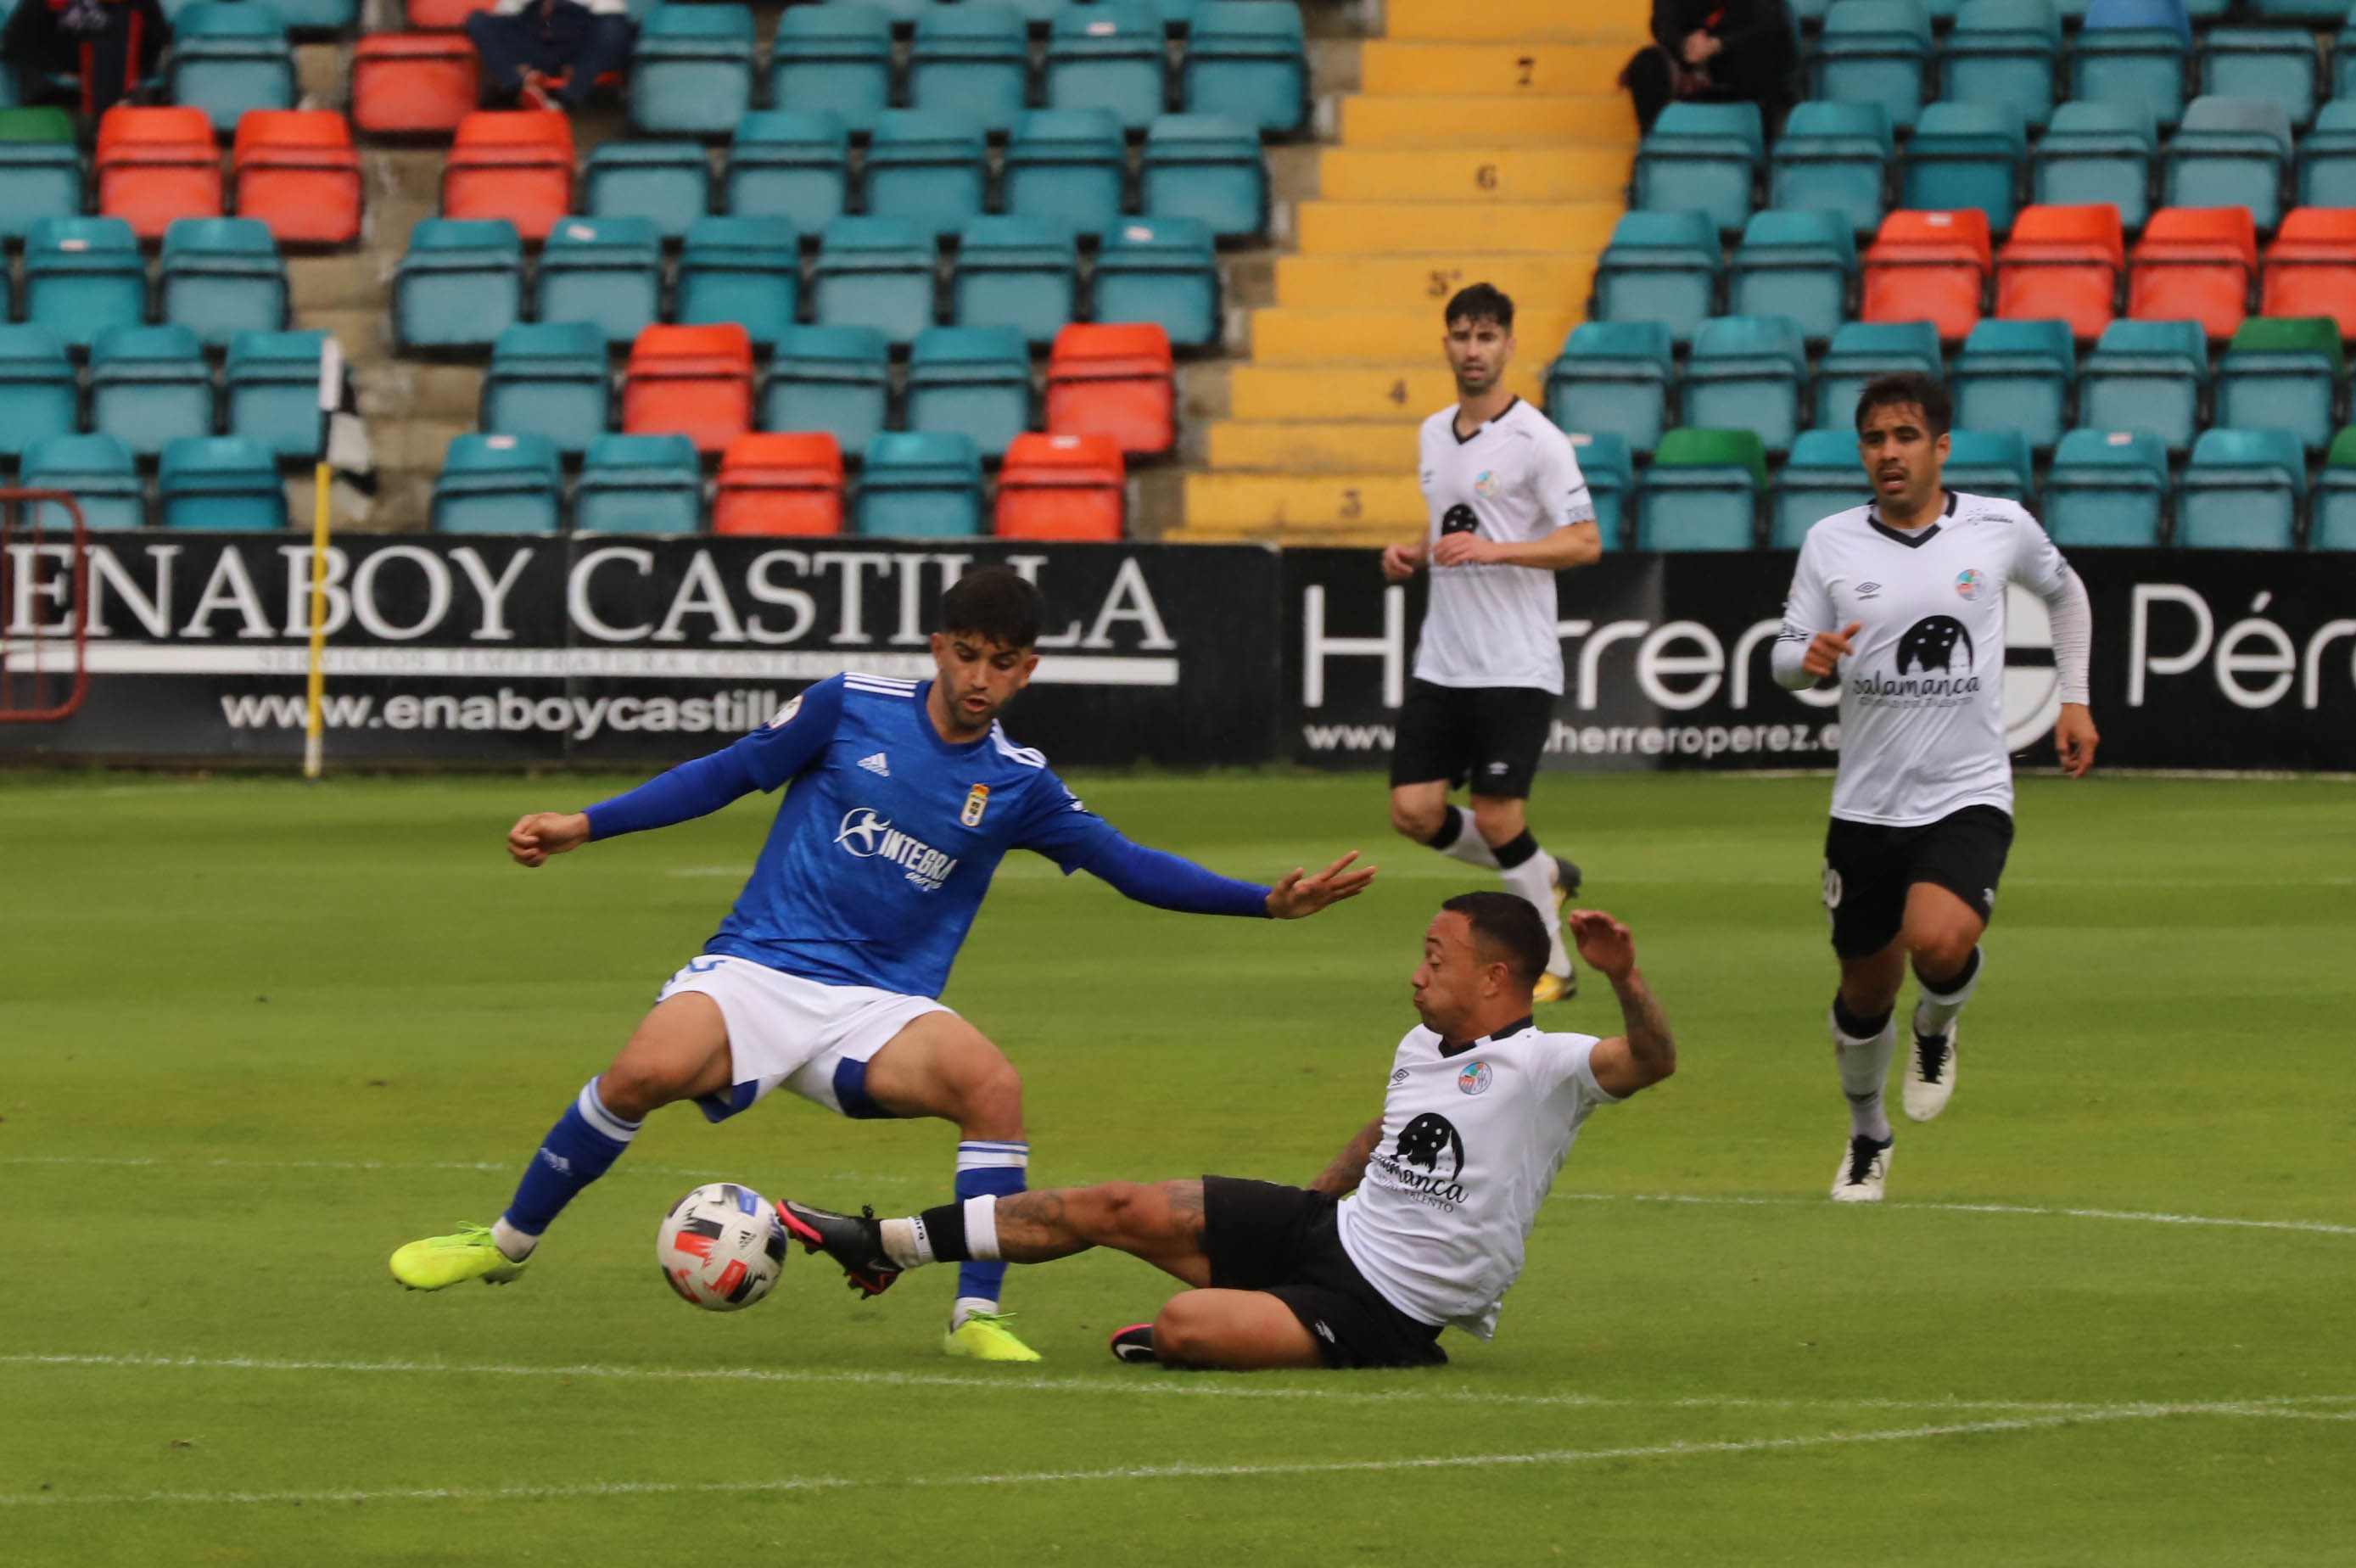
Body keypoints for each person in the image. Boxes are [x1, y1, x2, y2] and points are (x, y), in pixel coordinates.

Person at [388, 568, 1375, 1364]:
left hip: (876, 1008)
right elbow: (726, 773)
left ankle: (974, 1315)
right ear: (938, 647)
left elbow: (1127, 865)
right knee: (638, 1074)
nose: (981, 678)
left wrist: (1261, 901)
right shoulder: (845, 706)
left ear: (1027, 669)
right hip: (758, 967)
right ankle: (505, 1241)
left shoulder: (1020, 784)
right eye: (967, 655)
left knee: (991, 1083)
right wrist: (582, 825)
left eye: (1004, 664)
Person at [783, 894, 1675, 1371]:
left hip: (1385, 1308)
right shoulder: (1421, 1041)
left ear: (1492, 978)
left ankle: (1218, 1336)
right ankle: (886, 1245)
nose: (1414, 975)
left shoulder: (1549, 1065)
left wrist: (1627, 979)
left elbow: (1650, 1060)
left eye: (1433, 960)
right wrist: (1314, 1203)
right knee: (1113, 1202)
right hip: (1329, 1234)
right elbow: (1394, 1125)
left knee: (1183, 1328)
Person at [1772, 372, 2098, 1204]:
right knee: (1861, 992)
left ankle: (1937, 1027)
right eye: (1874, 439)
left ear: (1939, 447)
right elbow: (1785, 653)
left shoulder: (1997, 527)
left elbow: (2064, 594)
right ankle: (1864, 1133)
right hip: (1864, 808)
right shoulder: (1829, 543)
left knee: (1940, 941)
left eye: (1905, 436)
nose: (1888, 452)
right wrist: (1802, 664)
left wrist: (2074, 698)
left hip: (1966, 792)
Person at [1380, 283, 1602, 1005]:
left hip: (1514, 661)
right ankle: (1540, 872)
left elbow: (1584, 543)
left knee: (1500, 814)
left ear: (1509, 345)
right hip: (1443, 660)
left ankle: (1555, 965)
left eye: (1486, 337)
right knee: (1413, 811)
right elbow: (1452, 525)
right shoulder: (1431, 432)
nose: (1472, 350)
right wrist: (1415, 554)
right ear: (1444, 343)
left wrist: (1497, 551)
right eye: (1461, 336)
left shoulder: (1536, 440)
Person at [1620, 0, 1798, 137]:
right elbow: (1662, 22)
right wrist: (1685, 44)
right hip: (1689, 60)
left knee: (1761, 56)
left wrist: (1720, 44)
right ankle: (1654, 151)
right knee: (1647, 65)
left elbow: (1770, 25)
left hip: (1739, 60)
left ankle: (1757, 165)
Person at [1, 0, 168, 118]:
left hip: (124, 100)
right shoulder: (45, 4)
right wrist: (58, 73)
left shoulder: (135, 4)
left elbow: (157, 41)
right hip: (62, 102)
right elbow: (18, 40)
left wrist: (136, 79)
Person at [463, 0, 633, 113]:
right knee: (478, 20)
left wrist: (582, 61)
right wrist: (515, 59)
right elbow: (506, 17)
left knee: (613, 30)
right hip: (535, 43)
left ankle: (566, 99)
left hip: (577, 48)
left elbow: (612, 21)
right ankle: (518, 85)